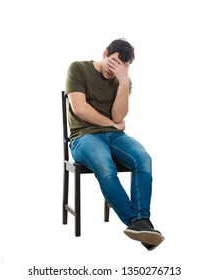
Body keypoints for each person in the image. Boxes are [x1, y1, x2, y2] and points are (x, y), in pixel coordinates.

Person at [65, 38, 164, 250]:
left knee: (143, 159)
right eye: (113, 62)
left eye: (123, 67)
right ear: (104, 53)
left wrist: (124, 82)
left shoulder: (123, 80)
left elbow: (119, 115)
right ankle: (140, 227)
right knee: (105, 165)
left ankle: (141, 220)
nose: (115, 70)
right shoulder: (78, 68)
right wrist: (111, 123)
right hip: (83, 137)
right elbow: (79, 109)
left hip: (114, 137)